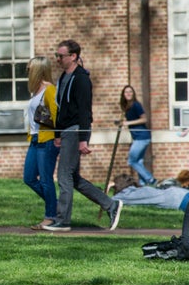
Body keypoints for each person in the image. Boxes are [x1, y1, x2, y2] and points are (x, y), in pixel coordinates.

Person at [44, 40, 123, 232]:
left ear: (73, 56)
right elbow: (60, 109)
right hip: (65, 131)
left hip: (75, 130)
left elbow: (85, 111)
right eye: (57, 56)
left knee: (64, 175)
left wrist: (83, 139)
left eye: (61, 56)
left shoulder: (81, 79)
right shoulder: (63, 77)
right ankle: (111, 205)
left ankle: (63, 221)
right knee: (74, 178)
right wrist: (57, 133)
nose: (58, 59)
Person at [23, 56, 59, 230]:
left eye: (29, 69)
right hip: (35, 140)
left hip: (48, 140)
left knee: (45, 180)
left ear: (38, 70)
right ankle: (57, 207)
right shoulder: (35, 92)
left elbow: (56, 116)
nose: (27, 72)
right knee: (29, 178)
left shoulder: (49, 90)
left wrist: (58, 136)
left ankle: (51, 216)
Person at [119, 85, 155, 186]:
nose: (128, 94)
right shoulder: (128, 107)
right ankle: (142, 184)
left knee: (132, 161)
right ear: (123, 94)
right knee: (138, 162)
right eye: (126, 92)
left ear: (133, 93)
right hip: (138, 137)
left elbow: (144, 119)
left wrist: (128, 123)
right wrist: (124, 124)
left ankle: (150, 179)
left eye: (130, 92)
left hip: (142, 137)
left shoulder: (136, 105)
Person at [108, 173, 189, 211]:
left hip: (179, 200)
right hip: (181, 194)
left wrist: (109, 187)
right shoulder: (138, 190)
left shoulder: (127, 195)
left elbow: (108, 201)